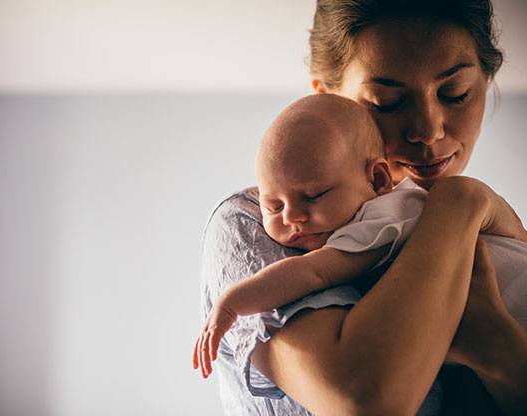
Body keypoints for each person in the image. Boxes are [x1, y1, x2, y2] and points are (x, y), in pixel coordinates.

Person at [199, 1, 527, 414]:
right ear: (329, 100)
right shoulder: (262, 222)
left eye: (454, 93)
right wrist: (459, 202)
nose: (428, 131)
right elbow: (365, 401)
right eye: (386, 101)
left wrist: (498, 346)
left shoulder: (494, 240)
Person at [193, 94, 527, 381]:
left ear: (378, 180)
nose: (292, 216)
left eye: (315, 194)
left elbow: (314, 271)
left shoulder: (388, 214)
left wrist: (232, 304)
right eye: (273, 205)